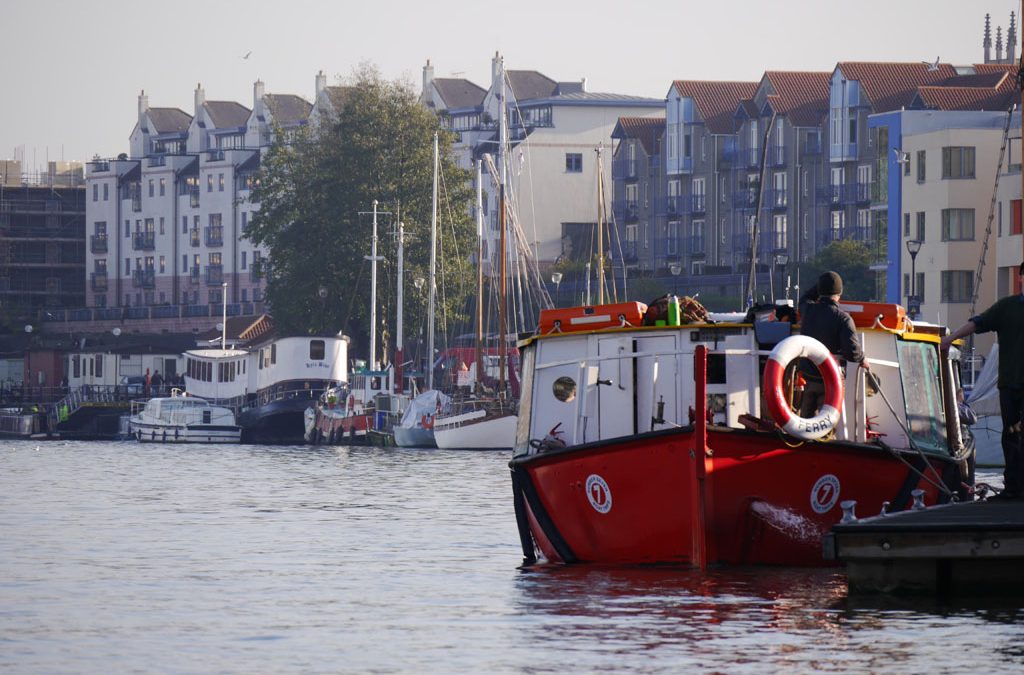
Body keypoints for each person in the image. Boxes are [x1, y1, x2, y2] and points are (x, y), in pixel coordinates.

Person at [941, 263, 1024, 499]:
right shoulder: (1007, 308)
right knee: (1010, 435)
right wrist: (952, 337)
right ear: (1021, 280)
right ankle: (1013, 488)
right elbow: (978, 322)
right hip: (1010, 383)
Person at [797, 271, 869, 418]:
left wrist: (821, 286)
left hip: (808, 378)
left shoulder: (808, 310)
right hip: (829, 381)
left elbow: (804, 298)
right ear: (839, 293)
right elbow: (852, 353)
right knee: (826, 425)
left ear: (819, 291)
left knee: (805, 423)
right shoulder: (843, 319)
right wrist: (863, 359)